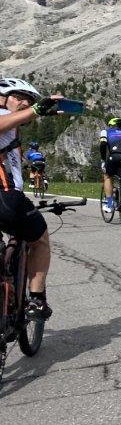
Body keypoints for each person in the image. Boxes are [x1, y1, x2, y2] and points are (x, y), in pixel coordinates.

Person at [0, 77, 62, 319]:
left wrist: (39, 113)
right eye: (19, 97)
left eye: (30, 100)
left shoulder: (11, 126)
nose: (25, 103)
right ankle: (36, 300)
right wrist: (36, 110)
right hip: (5, 197)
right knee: (41, 239)